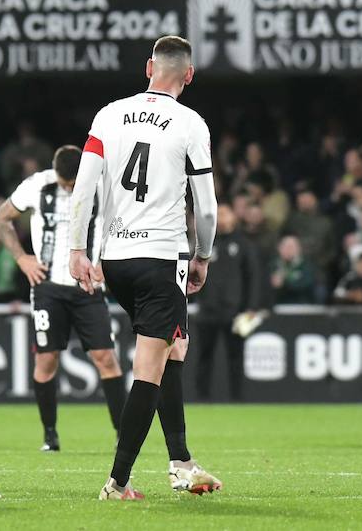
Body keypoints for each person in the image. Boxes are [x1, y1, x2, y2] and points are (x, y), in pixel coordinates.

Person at [67, 36, 221, 501]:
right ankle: (117, 482)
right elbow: (207, 207)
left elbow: (83, 189)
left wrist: (78, 249)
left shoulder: (109, 114)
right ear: (188, 75)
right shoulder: (191, 124)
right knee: (150, 366)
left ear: (148, 67)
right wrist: (203, 254)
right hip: (161, 257)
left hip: (115, 259)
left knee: (175, 346)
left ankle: (181, 462)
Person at [0, 145, 125, 452]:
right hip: (48, 287)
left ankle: (122, 432)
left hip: (88, 287)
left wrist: (106, 261)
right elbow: (2, 218)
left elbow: (120, 223)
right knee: (46, 359)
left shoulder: (102, 185)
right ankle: (50, 434)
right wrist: (23, 259)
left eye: (73, 182)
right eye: (65, 182)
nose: (69, 187)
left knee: (106, 357)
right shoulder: (38, 184)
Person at [195, 203, 262, 399]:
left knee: (235, 357)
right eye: (219, 213)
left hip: (235, 312)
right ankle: (202, 398)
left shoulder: (243, 244)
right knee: (204, 357)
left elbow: (253, 277)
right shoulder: (204, 242)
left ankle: (237, 398)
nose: (222, 217)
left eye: (225, 213)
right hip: (207, 310)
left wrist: (251, 307)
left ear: (233, 217)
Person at [270, 235, 316, 305]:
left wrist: (284, 283)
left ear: (299, 249)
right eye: (285, 246)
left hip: (300, 306)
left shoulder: (307, 266)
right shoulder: (272, 265)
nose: (288, 250)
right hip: (276, 305)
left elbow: (306, 285)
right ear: (279, 248)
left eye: (291, 247)